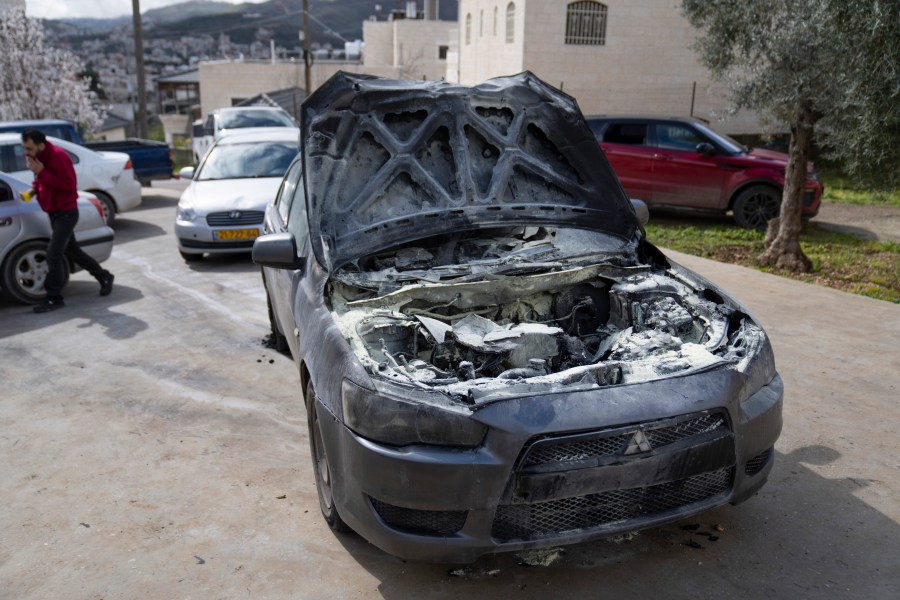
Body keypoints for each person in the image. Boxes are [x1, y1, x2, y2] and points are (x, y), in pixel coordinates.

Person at [21, 128, 114, 313]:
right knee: (74, 252)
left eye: (29, 148)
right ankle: (104, 276)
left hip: (66, 212)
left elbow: (68, 185)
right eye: (24, 148)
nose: (26, 152)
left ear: (41, 145)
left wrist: (42, 172)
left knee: (53, 255)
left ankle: (53, 298)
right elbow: (41, 180)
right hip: (54, 212)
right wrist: (33, 190)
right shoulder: (39, 159)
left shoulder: (58, 157)